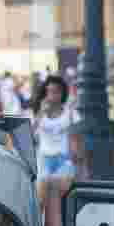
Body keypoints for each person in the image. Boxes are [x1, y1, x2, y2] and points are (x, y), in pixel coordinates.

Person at [33, 75, 78, 214]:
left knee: (54, 197)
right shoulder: (39, 113)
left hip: (64, 160)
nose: (52, 95)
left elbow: (75, 138)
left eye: (55, 91)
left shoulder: (70, 113)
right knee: (42, 194)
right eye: (49, 92)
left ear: (62, 93)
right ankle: (37, 225)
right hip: (44, 159)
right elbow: (32, 135)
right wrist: (41, 112)